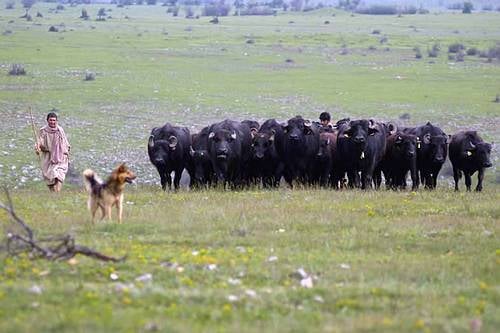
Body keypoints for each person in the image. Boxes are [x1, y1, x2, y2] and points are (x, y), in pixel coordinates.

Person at [35, 112, 71, 192]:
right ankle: (54, 196)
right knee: (50, 180)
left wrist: (67, 151)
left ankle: (57, 194)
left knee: (58, 175)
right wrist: (38, 148)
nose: (52, 122)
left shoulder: (60, 130)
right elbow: (40, 142)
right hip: (48, 157)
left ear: (56, 121)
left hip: (61, 157)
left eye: (54, 120)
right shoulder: (43, 131)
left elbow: (65, 142)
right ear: (47, 121)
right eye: (50, 120)